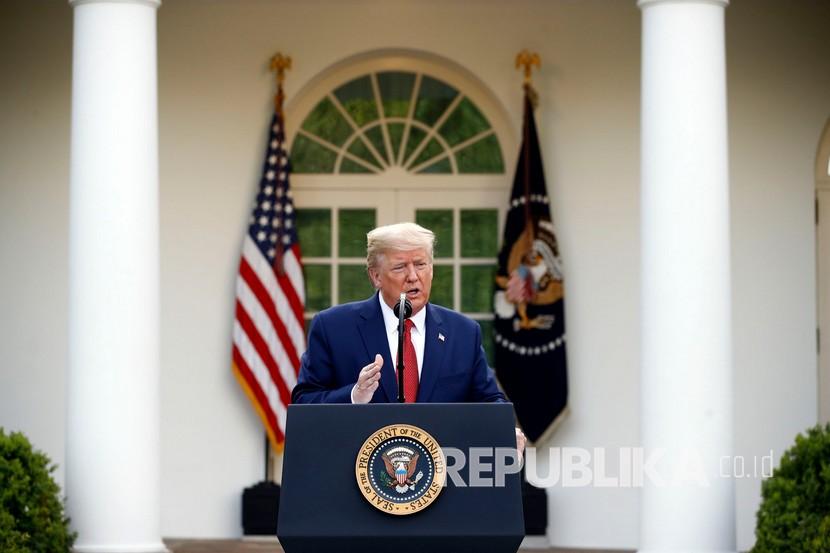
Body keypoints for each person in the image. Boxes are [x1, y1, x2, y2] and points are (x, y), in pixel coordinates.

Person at [292, 222, 526, 451]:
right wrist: (355, 395)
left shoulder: (463, 332)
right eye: (400, 267)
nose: (413, 276)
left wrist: (503, 429)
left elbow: (489, 402)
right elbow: (304, 402)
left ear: (432, 269)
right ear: (375, 277)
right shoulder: (334, 327)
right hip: (356, 473)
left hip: (442, 476)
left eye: (421, 264)